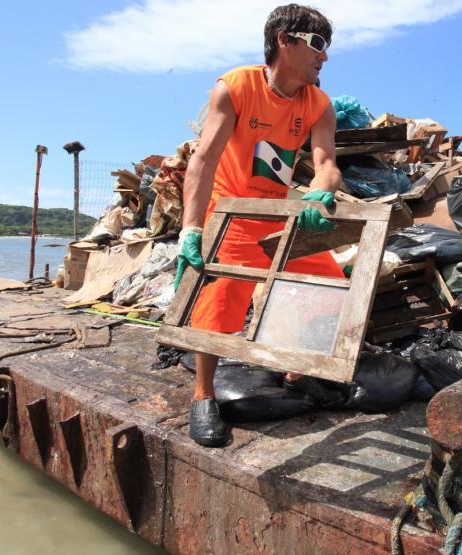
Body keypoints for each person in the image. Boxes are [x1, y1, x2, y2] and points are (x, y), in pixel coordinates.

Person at [175, 4, 345, 447]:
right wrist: (191, 229)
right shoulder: (235, 87)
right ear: (284, 40)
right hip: (230, 212)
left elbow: (327, 164)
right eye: (318, 45)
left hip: (280, 214)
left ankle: (292, 370)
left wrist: (319, 191)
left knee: (329, 284)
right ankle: (202, 396)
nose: (324, 57)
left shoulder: (318, 103)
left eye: (327, 48)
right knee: (219, 300)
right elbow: (204, 160)